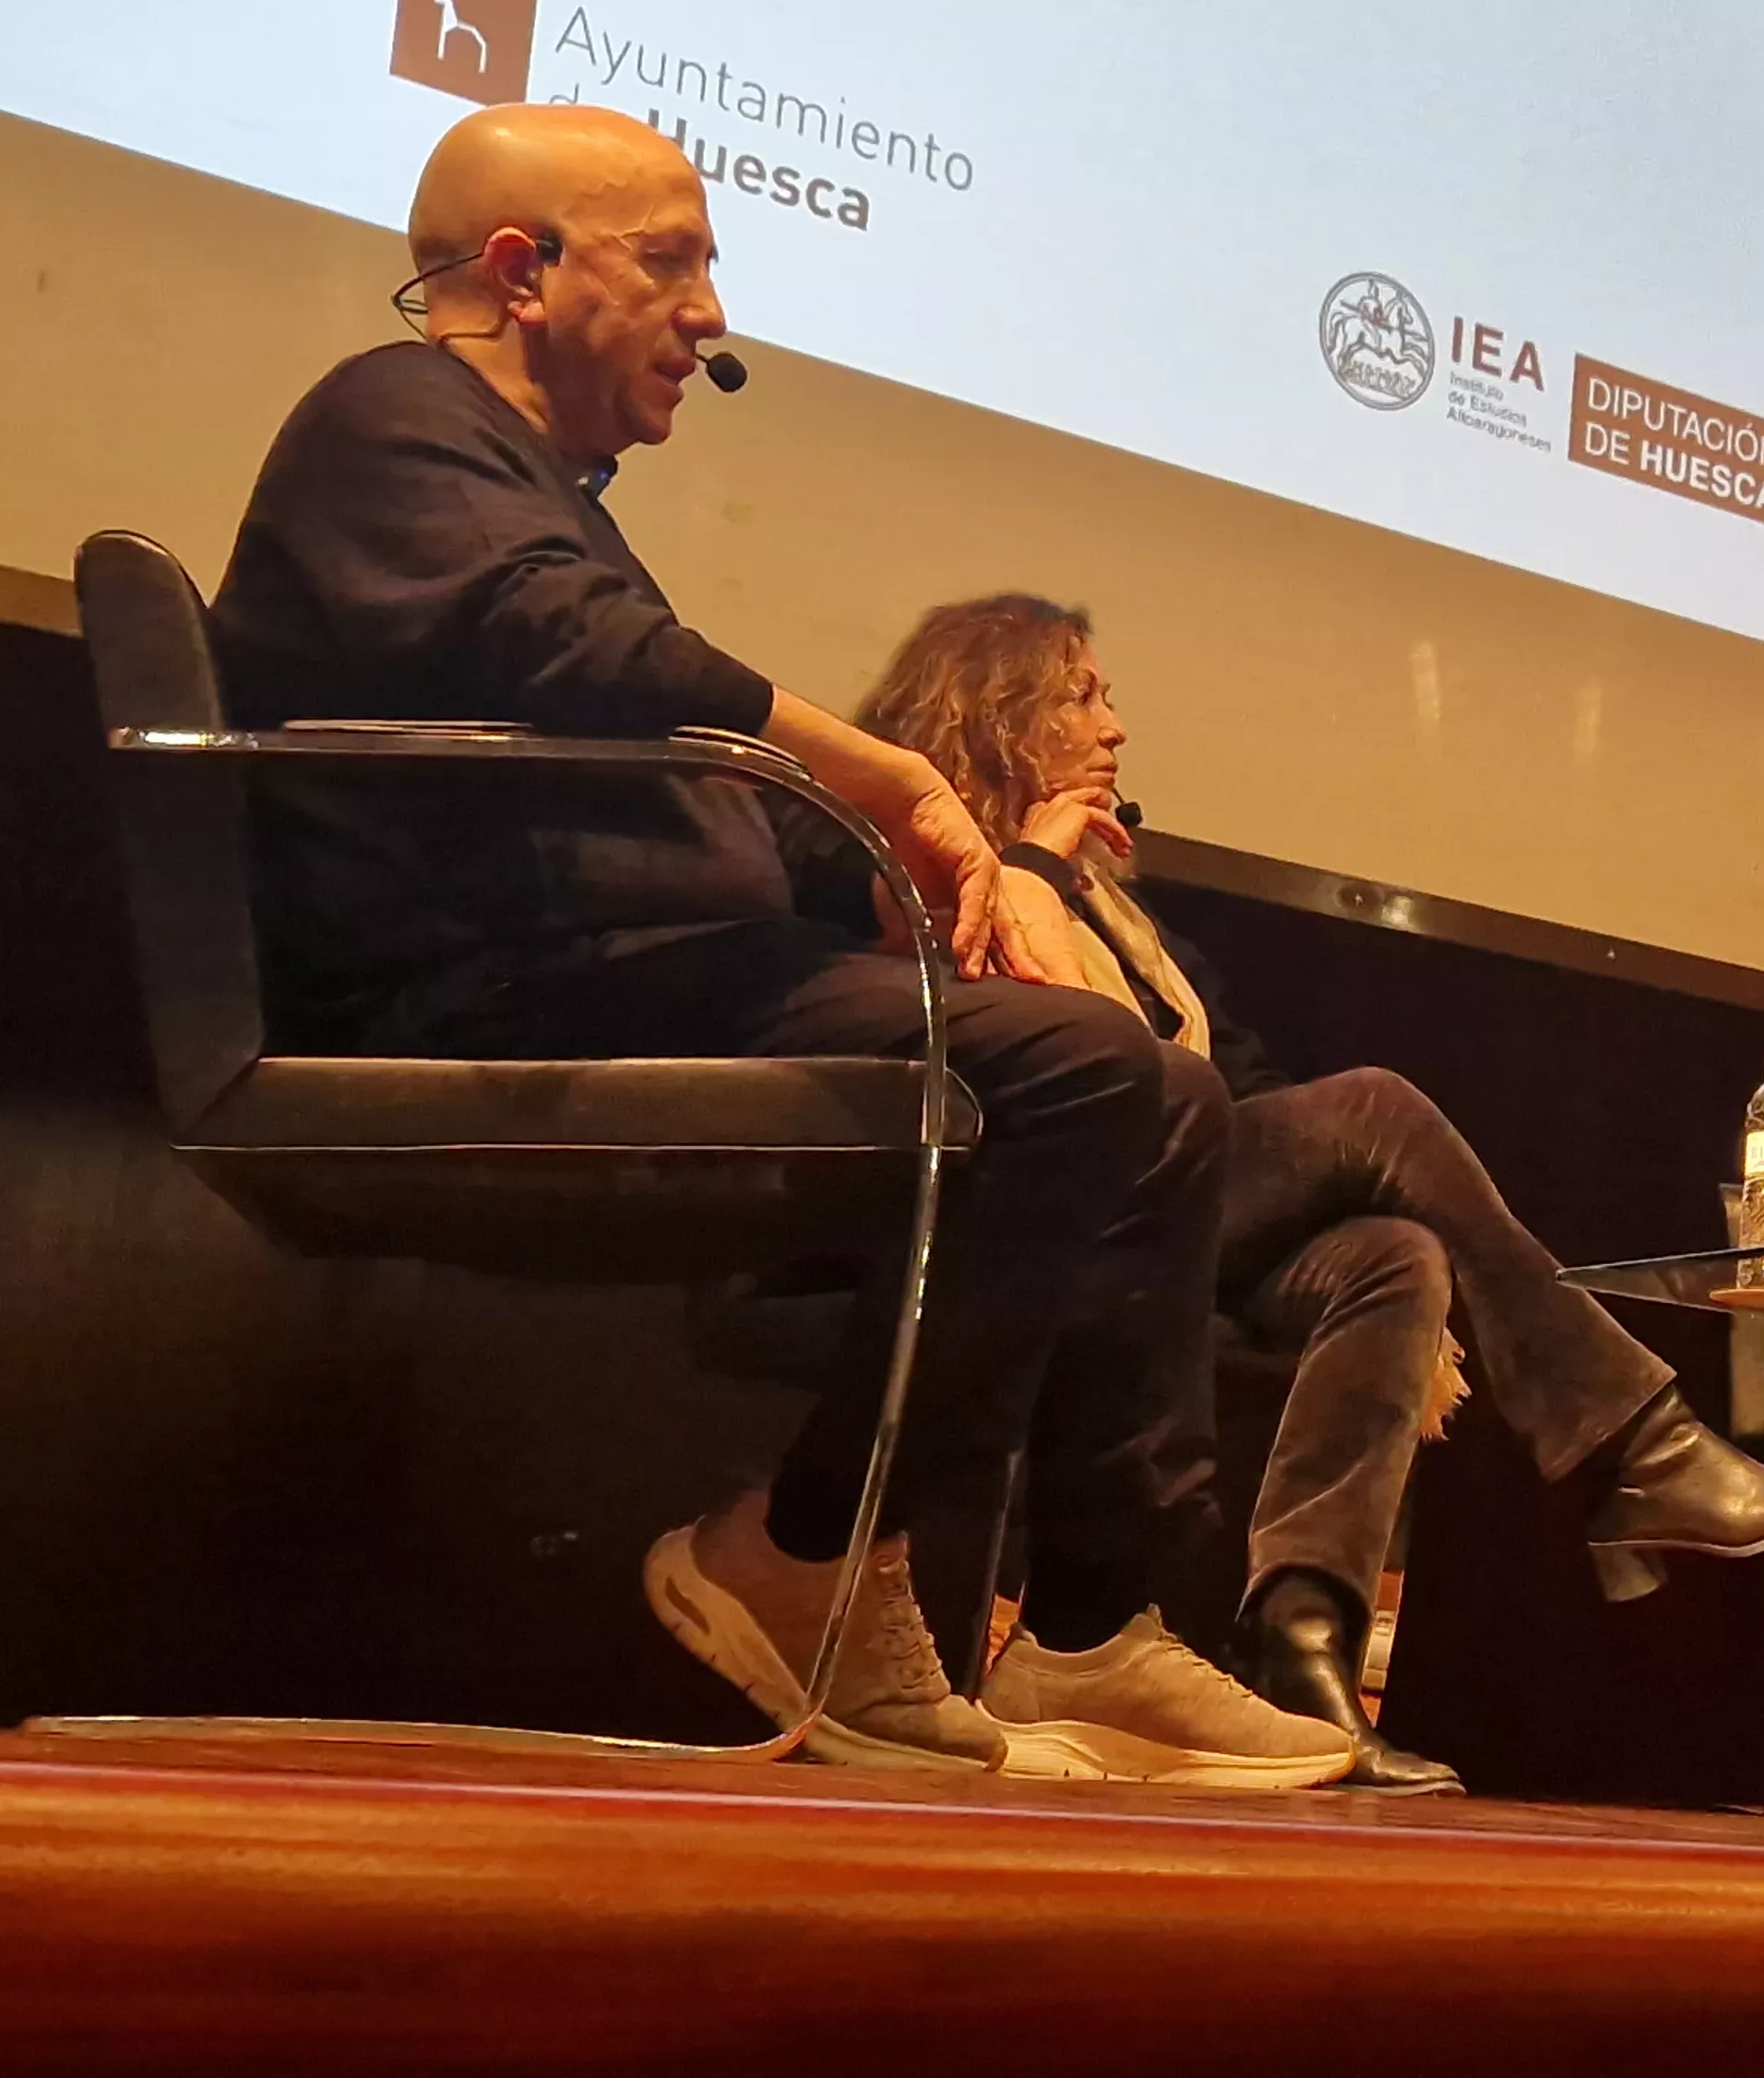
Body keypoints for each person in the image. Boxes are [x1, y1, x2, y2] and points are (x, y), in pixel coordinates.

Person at [208, 103, 1351, 1788]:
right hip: (487, 1000)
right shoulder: (394, 416)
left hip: (616, 973)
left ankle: (1099, 1624)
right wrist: (889, 780)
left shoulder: (524, 478)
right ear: (519, 273)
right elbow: (568, 640)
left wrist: (940, 892)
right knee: (1078, 1076)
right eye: (670, 260)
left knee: (1155, 1089)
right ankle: (812, 1544)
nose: (712, 313)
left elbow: (634, 749)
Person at [849, 593, 1764, 1794]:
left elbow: (1238, 1092)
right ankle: (1638, 1444)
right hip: (1049, 1217)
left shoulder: (1126, 908)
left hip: (1178, 1220)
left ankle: (1303, 1646)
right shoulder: (927, 862)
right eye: (1083, 694)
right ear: (1000, 710)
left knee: (1396, 1254)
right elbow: (1080, 1072)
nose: (1115, 725)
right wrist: (1029, 865)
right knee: (1376, 1107)